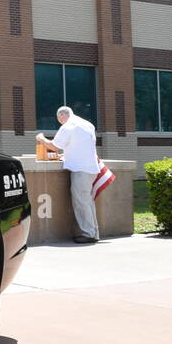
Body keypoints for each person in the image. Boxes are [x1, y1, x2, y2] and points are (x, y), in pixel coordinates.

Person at [36, 105, 99, 244]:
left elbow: (54, 146)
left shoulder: (69, 125)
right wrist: (69, 153)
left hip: (80, 168)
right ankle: (94, 231)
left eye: (60, 120)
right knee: (87, 201)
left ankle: (88, 233)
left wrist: (41, 138)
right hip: (92, 167)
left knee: (81, 202)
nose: (60, 123)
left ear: (62, 115)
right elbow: (80, 145)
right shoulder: (87, 124)